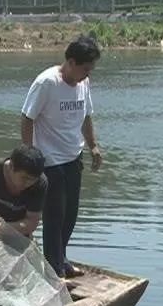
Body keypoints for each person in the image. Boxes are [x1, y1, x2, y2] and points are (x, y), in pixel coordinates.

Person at [20, 35, 103, 278]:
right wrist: (30, 155)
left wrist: (93, 147)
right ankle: (53, 267)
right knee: (54, 215)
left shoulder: (83, 83)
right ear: (70, 62)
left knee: (71, 213)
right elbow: (27, 117)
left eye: (91, 69)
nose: (88, 74)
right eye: (85, 68)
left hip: (72, 156)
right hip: (49, 159)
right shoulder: (47, 83)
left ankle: (61, 258)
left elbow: (86, 116)